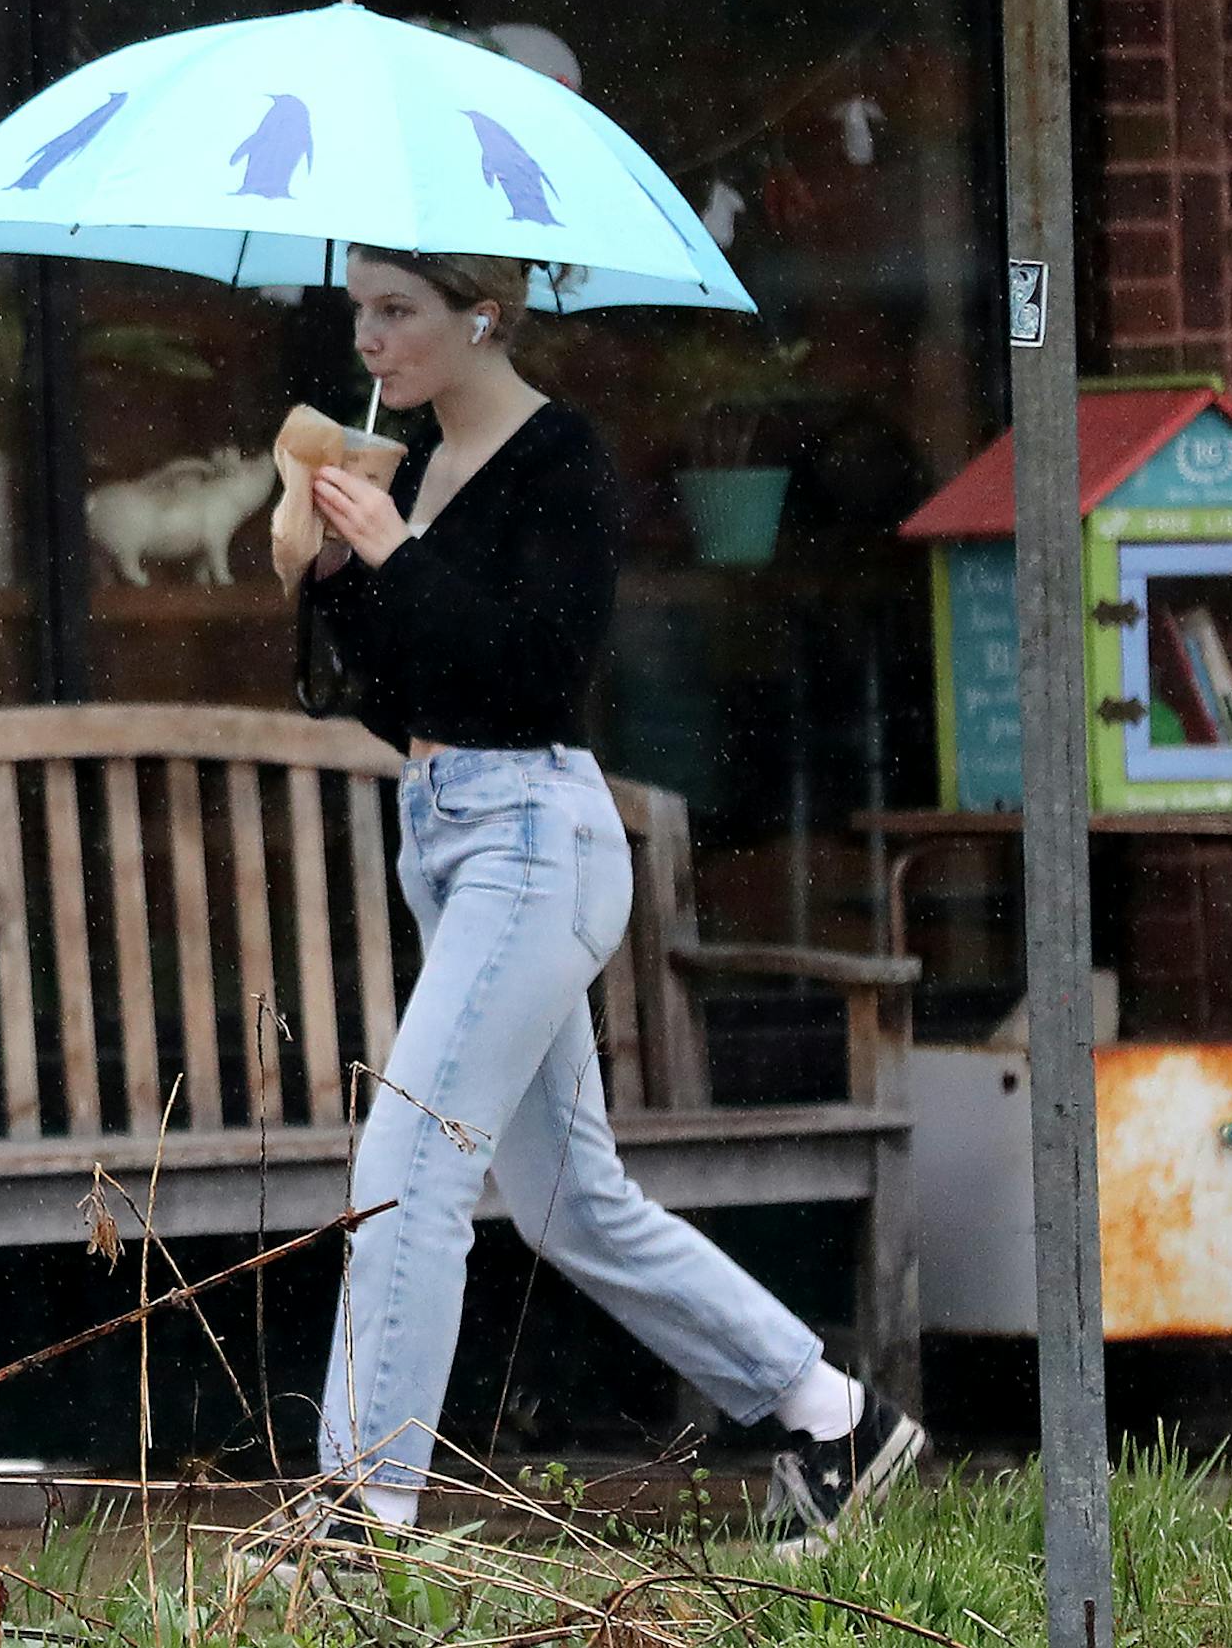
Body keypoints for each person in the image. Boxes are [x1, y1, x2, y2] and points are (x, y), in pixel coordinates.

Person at [282, 246, 925, 1558]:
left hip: (535, 838)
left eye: (397, 311)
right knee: (576, 1199)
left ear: (483, 311)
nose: (370, 341)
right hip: (449, 833)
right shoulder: (419, 468)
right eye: (358, 311)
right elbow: (391, 697)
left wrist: (396, 553)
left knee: (407, 1164)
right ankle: (837, 1419)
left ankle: (361, 1511)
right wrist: (326, 569)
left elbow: (535, 666)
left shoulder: (560, 460)